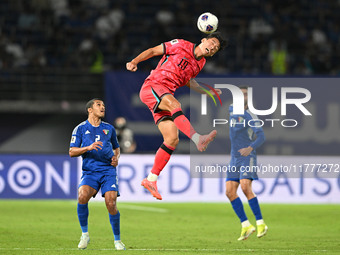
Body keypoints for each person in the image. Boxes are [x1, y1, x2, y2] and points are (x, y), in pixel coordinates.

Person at [126, 32, 227, 200]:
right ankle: (197, 139)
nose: (213, 48)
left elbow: (190, 81)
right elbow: (153, 51)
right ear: (204, 39)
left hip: (164, 96)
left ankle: (151, 179)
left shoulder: (199, 64)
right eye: (213, 43)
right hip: (153, 86)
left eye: (216, 49)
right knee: (175, 105)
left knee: (172, 138)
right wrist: (134, 61)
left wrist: (208, 91)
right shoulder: (181, 44)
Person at [69, 98, 125, 250]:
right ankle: (85, 234)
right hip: (90, 171)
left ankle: (117, 240)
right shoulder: (80, 129)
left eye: (104, 105)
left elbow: (116, 148)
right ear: (90, 109)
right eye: (98, 105)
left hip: (108, 170)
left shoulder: (109, 128)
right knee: (82, 196)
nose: (102, 107)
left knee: (111, 203)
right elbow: (72, 151)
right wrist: (88, 148)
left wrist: (116, 158)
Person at [225, 86, 268, 241]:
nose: (241, 96)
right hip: (234, 157)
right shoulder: (231, 109)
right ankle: (246, 225)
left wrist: (250, 148)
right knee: (229, 192)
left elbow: (261, 137)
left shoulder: (251, 115)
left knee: (244, 186)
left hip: (247, 156)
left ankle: (261, 223)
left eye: (244, 94)